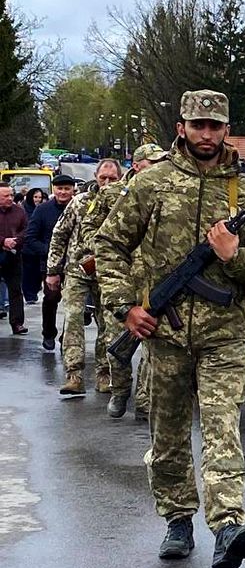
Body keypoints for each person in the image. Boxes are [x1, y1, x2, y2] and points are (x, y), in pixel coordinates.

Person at [95, 90, 245, 568]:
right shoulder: (151, 184)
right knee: (169, 434)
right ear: (181, 127)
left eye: (215, 126)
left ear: (226, 129)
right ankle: (178, 519)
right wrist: (125, 308)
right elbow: (110, 244)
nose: (206, 134)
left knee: (222, 428)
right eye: (198, 125)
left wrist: (231, 255)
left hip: (225, 335)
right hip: (165, 337)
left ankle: (228, 524)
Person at [85, 144, 164, 419]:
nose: (157, 168)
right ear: (137, 165)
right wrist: (110, 250)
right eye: (152, 163)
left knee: (152, 342)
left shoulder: (168, 193)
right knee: (116, 340)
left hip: (155, 281)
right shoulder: (112, 193)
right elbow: (90, 228)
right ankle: (120, 390)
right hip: (122, 280)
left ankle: (144, 400)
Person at [46, 160, 123, 396]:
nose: (107, 182)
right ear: (96, 177)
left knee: (108, 324)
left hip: (109, 272)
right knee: (73, 320)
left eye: (112, 179)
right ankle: (74, 374)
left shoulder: (125, 203)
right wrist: (52, 270)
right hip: (77, 269)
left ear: (120, 178)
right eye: (103, 178)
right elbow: (60, 234)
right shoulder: (80, 202)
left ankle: (104, 374)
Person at [25, 175, 76, 351]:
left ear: (73, 190)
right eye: (60, 188)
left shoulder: (79, 207)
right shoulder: (42, 210)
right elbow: (31, 238)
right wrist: (50, 251)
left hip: (75, 264)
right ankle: (48, 333)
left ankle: (67, 336)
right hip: (49, 264)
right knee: (51, 298)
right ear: (54, 189)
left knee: (73, 303)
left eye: (67, 189)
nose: (63, 192)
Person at [0, 182, 28, 334]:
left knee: (16, 290)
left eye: (11, 195)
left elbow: (26, 230)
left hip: (13, 255)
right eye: (6, 196)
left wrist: (15, 241)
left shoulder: (19, 211)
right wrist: (3, 241)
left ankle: (17, 323)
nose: (10, 198)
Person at [19, 188, 45, 304]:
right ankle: (29, 294)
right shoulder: (23, 210)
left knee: (38, 272)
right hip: (27, 247)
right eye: (35, 197)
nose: (38, 200)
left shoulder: (41, 210)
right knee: (28, 272)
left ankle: (33, 292)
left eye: (40, 197)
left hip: (39, 246)